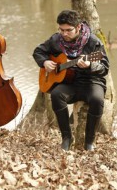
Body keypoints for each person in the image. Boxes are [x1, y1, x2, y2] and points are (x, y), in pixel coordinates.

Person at [33, 10, 109, 151]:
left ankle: (89, 142)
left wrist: (90, 65)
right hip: (70, 83)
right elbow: (38, 51)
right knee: (56, 94)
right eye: (61, 30)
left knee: (97, 100)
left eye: (68, 30)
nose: (64, 34)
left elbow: (104, 68)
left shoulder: (93, 42)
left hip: (91, 81)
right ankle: (66, 137)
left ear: (79, 27)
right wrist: (45, 62)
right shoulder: (56, 40)